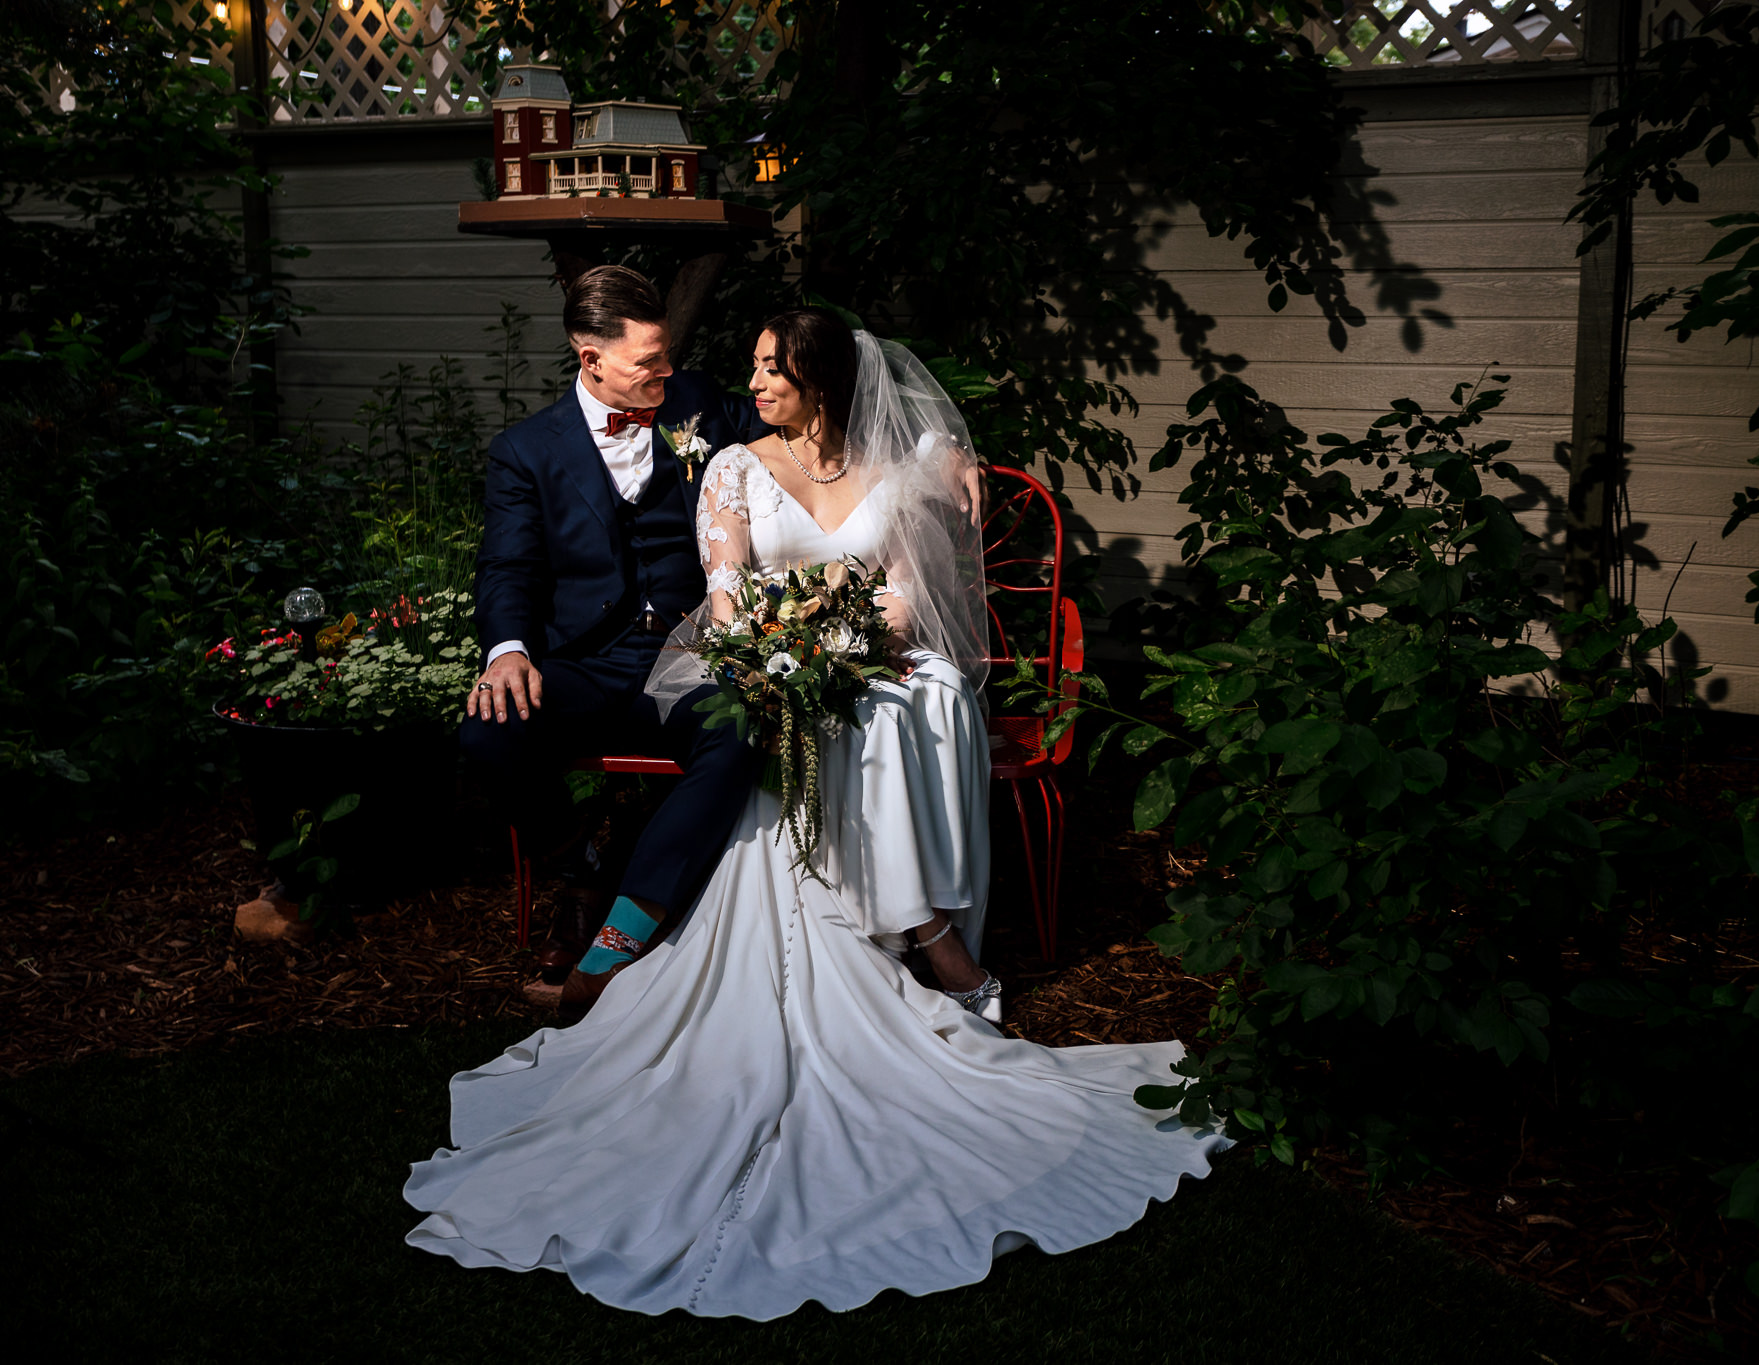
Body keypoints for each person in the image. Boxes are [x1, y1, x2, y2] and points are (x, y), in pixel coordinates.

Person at [404, 309, 1229, 1319]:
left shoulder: (895, 464)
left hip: (869, 655)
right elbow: (733, 599)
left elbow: (901, 598)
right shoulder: (730, 460)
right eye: (746, 368)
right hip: (738, 652)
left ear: (824, 385)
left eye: (770, 370)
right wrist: (802, 634)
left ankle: (911, 926)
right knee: (782, 710)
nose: (745, 383)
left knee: (896, 702)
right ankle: (916, 938)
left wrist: (926, 480)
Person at [460, 265, 765, 1003]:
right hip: (588, 663)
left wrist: (924, 454)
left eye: (666, 355)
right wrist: (507, 652)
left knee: (745, 729)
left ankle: (626, 930)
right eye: (647, 363)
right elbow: (507, 567)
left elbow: (803, 426)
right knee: (487, 730)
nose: (666, 372)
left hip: (689, 653)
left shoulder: (694, 403)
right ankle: (582, 863)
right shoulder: (525, 451)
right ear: (589, 357)